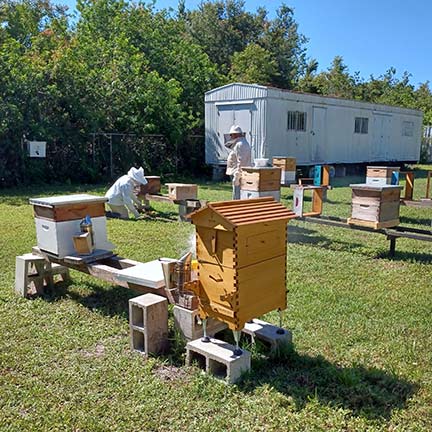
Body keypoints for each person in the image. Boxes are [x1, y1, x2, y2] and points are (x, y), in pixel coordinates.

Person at [225, 125, 252, 200]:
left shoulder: (240, 144)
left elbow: (241, 161)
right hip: (237, 172)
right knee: (237, 192)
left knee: (237, 194)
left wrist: (237, 176)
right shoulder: (241, 143)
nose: (230, 136)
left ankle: (236, 206)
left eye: (231, 134)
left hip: (238, 173)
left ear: (235, 134)